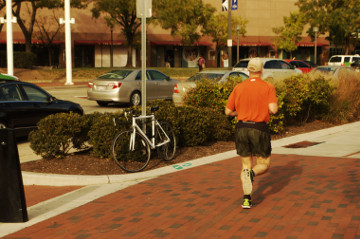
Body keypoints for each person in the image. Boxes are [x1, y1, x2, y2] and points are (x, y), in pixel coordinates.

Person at [225, 57, 278, 209]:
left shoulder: (239, 87)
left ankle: (247, 199)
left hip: (241, 128)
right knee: (264, 164)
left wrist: (240, 112)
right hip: (259, 128)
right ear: (261, 71)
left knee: (245, 165)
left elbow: (228, 111)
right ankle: (252, 175)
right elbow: (273, 109)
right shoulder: (268, 87)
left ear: (248, 70)